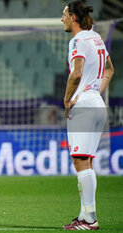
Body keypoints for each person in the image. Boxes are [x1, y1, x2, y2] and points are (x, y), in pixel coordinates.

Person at [61, 0, 114, 230]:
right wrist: (93, 91)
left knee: (81, 162)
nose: (61, 19)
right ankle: (85, 216)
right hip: (97, 104)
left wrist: (68, 99)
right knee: (86, 162)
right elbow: (110, 70)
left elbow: (76, 73)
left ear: (73, 17)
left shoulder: (78, 40)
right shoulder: (97, 38)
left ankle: (90, 219)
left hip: (83, 107)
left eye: (63, 14)